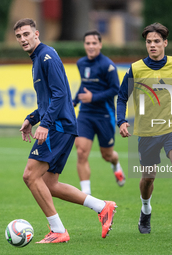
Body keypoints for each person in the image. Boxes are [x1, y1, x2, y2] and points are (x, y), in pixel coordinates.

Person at [14, 18, 117, 244]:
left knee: (30, 175)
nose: (22, 39)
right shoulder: (39, 58)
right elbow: (50, 98)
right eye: (18, 36)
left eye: (26, 34)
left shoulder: (46, 56)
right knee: (50, 184)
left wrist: (45, 124)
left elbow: (60, 94)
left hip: (58, 126)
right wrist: (32, 118)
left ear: (36, 34)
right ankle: (103, 207)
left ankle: (58, 230)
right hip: (63, 125)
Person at [117, 23, 172, 237]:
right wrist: (121, 121)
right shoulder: (136, 68)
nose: (153, 45)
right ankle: (145, 209)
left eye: (157, 41)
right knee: (148, 178)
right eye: (149, 42)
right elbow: (122, 97)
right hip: (146, 131)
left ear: (165, 42)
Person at [73, 30, 125, 195]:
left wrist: (93, 97)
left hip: (104, 115)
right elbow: (84, 85)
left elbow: (115, 89)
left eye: (94, 43)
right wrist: (73, 102)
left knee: (107, 155)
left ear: (100, 45)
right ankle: (86, 194)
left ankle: (115, 164)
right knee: (81, 152)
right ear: (84, 45)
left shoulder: (107, 65)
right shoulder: (81, 63)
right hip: (85, 114)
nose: (91, 46)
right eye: (87, 43)